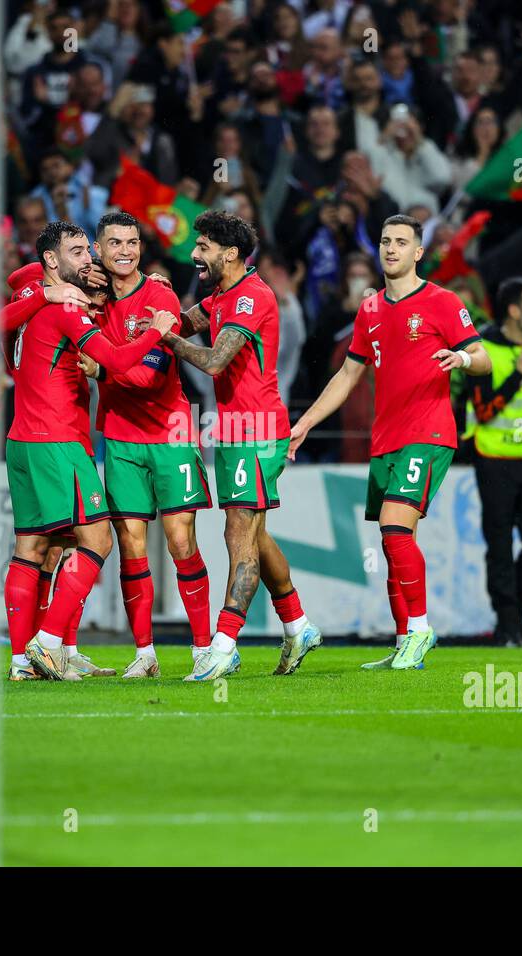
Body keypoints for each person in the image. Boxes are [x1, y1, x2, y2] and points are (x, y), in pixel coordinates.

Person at [288, 215, 489, 669]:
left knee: (396, 528)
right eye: (385, 241)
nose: (391, 249)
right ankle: (404, 643)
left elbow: (485, 358)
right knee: (391, 540)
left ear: (419, 252)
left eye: (402, 242)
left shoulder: (441, 301)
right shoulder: (371, 309)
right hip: (386, 440)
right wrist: (306, 423)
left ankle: (420, 630)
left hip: (429, 432)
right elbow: (347, 375)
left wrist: (461, 357)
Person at [2, 220, 174, 681]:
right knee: (96, 540)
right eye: (78, 252)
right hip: (58, 441)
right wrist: (156, 329)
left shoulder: (28, 306)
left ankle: (22, 662)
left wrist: (55, 294)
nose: (90, 260)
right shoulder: (62, 306)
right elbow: (116, 361)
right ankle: (49, 642)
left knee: (33, 547)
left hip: (21, 439)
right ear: (52, 262)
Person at [159, 210, 322, 679]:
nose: (195, 254)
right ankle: (298, 624)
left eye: (204, 246)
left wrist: (164, 336)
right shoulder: (220, 296)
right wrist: (147, 298)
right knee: (254, 533)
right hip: (232, 432)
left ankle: (226, 642)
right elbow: (183, 321)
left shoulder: (251, 297)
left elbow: (213, 361)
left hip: (258, 433)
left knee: (239, 533)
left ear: (230, 253)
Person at [85, 211, 215, 678]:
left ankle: (203, 650)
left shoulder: (160, 296)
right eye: (115, 243)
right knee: (131, 545)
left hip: (170, 433)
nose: (125, 250)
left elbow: (149, 374)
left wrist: (100, 366)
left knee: (181, 541)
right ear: (99, 250)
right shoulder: (91, 301)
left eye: (133, 242)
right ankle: (145, 654)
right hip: (120, 436)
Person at [466, 277, 522, 647]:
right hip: (494, 458)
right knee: (499, 545)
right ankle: (510, 624)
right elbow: (484, 411)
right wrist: (517, 377)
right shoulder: (484, 350)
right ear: (514, 310)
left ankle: (511, 619)